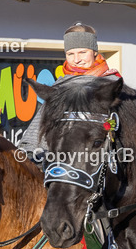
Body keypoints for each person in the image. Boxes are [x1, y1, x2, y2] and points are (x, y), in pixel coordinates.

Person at [18, 23, 119, 162]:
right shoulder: (60, 86)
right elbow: (41, 125)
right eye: (70, 54)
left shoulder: (112, 84)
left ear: (95, 51)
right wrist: (30, 151)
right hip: (60, 161)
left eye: (83, 52)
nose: (76, 60)